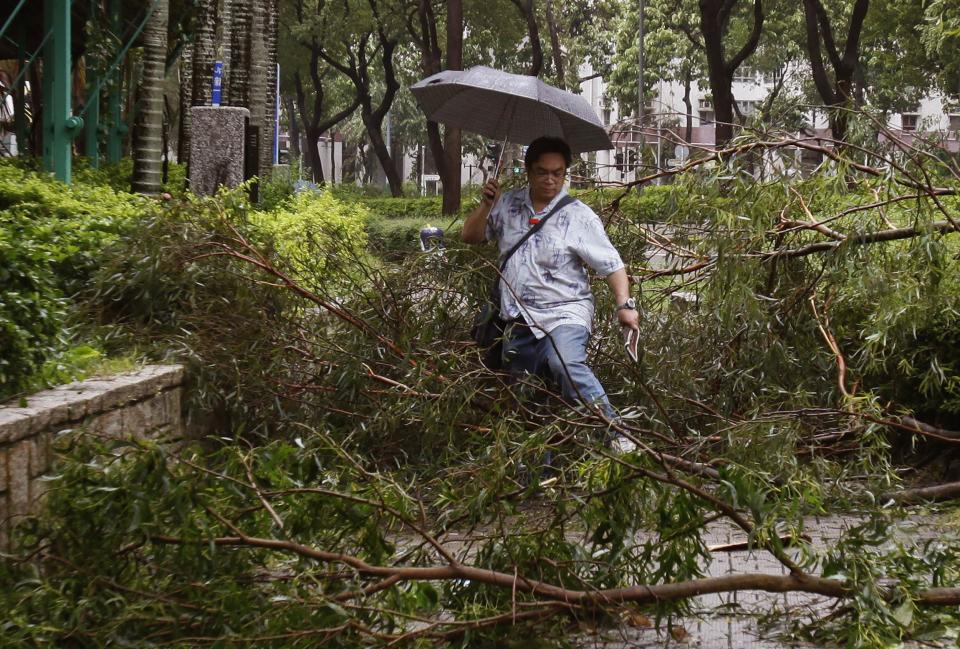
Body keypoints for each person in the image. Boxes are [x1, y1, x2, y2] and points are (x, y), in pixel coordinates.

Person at [461, 136, 639, 452]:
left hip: (565, 313)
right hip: (517, 318)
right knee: (525, 399)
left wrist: (625, 305)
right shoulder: (508, 204)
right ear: (528, 171)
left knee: (565, 365)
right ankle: (536, 471)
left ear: (565, 172)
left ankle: (616, 434)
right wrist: (487, 204)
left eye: (557, 172)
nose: (550, 179)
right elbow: (470, 236)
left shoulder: (578, 215)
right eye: (543, 172)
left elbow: (612, 265)